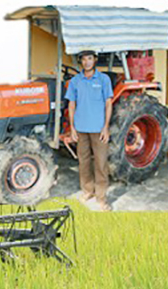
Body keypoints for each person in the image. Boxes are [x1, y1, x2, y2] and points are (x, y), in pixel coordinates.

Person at [66, 50, 114, 212]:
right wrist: (72, 128)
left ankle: (101, 198)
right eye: (84, 59)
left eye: (90, 58)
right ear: (80, 61)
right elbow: (71, 105)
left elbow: (108, 104)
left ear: (94, 60)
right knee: (84, 162)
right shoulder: (75, 81)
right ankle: (88, 191)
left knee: (101, 163)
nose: (87, 62)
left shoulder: (103, 79)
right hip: (81, 130)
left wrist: (106, 127)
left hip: (99, 129)